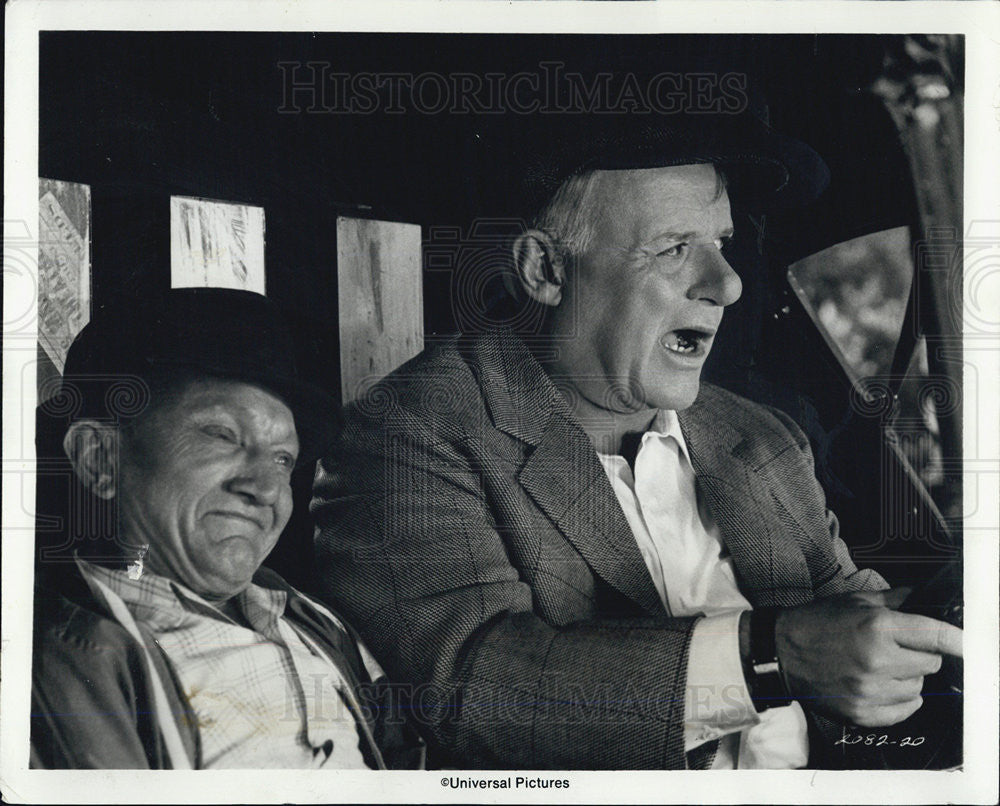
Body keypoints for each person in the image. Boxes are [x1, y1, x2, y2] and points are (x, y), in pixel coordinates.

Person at [310, 110, 963, 769]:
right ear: (545, 270)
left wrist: (917, 628)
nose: (728, 285)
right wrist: (768, 656)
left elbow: (848, 621)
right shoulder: (411, 433)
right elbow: (469, 693)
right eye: (674, 247)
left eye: (723, 244)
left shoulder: (761, 438)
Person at [30, 288, 423, 770]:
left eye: (284, 459)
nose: (265, 487)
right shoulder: (62, 659)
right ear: (101, 459)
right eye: (222, 435)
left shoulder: (313, 622)